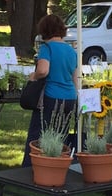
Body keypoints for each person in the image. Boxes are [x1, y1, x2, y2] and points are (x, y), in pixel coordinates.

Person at [22, 13, 79, 167]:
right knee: (61, 135)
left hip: (51, 96)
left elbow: (43, 70)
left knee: (38, 134)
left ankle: (31, 167)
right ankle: (57, 166)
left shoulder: (47, 48)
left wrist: (33, 76)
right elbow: (76, 78)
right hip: (70, 97)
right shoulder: (71, 51)